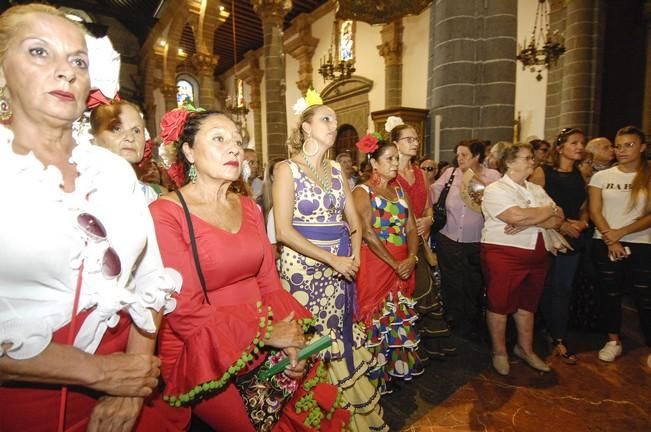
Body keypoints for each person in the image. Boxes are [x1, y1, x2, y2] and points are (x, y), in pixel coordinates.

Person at [0, 5, 180, 431]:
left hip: (123, 395)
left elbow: (149, 276)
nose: (66, 72)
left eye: (78, 60)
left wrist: (132, 379)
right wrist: (97, 372)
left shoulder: (113, 171)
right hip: (24, 402)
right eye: (40, 53)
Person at [150, 109, 349, 431]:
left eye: (238, 141)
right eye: (219, 139)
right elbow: (185, 312)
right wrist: (267, 333)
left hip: (266, 338)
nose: (234, 148)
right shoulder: (165, 213)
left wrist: (290, 344)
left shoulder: (249, 207)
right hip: (201, 351)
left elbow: (270, 285)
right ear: (188, 151)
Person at [274, 97, 387, 431]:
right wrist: (333, 259)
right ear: (306, 127)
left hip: (339, 268)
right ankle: (313, 413)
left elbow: (354, 221)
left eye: (335, 121)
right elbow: (283, 230)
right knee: (311, 336)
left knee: (337, 334)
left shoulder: (338, 170)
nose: (333, 126)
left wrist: (351, 256)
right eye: (325, 119)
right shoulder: (286, 169)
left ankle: (345, 414)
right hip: (302, 270)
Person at [481, 142, 563, 375]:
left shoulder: (536, 189)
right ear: (510, 162)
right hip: (504, 253)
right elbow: (514, 215)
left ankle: (524, 349)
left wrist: (533, 218)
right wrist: (546, 211)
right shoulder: (496, 189)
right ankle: (499, 352)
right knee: (500, 303)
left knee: (528, 304)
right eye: (527, 157)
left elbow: (560, 218)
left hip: (537, 254)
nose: (533, 161)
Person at [352, 136, 423, 394]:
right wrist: (395, 263)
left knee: (397, 315)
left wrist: (411, 259)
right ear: (374, 162)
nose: (396, 163)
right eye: (390, 159)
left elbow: (412, 228)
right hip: (377, 264)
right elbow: (368, 232)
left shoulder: (400, 191)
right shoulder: (362, 191)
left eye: (397, 158)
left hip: (402, 263)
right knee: (375, 318)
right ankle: (373, 377)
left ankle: (396, 368)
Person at [390, 121, 455, 359]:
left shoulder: (418, 172)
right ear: (395, 144)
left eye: (416, 139)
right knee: (407, 295)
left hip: (420, 239)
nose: (415, 143)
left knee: (424, 291)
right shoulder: (390, 172)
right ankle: (408, 348)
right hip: (398, 241)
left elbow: (427, 205)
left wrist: (428, 222)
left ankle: (427, 344)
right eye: (409, 139)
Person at [588, 125, 651, 367]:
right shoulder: (602, 176)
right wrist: (611, 238)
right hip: (604, 241)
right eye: (619, 145)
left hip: (641, 242)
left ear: (642, 147)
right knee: (609, 294)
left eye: (629, 145)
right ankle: (613, 341)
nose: (622, 150)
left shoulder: (648, 174)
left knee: (645, 297)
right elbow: (594, 210)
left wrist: (621, 233)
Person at [530, 127, 589, 364]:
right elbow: (532, 205)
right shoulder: (543, 173)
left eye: (582, 143)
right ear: (560, 147)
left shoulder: (579, 174)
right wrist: (561, 224)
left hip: (573, 237)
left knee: (563, 287)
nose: (579, 147)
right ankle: (546, 333)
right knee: (546, 286)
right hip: (548, 236)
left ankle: (559, 337)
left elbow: (585, 205)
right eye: (574, 143)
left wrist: (583, 222)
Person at [431, 139, 501, 337]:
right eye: (458, 155)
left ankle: (471, 323)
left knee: (473, 283)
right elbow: (433, 194)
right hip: (448, 237)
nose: (459, 159)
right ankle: (453, 319)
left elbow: (499, 203)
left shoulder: (492, 176)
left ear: (477, 156)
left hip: (476, 241)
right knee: (451, 282)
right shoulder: (450, 173)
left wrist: (480, 185)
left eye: (465, 155)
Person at [90, 99, 163, 203]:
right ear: (94, 138)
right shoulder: (77, 192)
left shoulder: (153, 197)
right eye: (117, 129)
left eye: (136, 131)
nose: (130, 137)